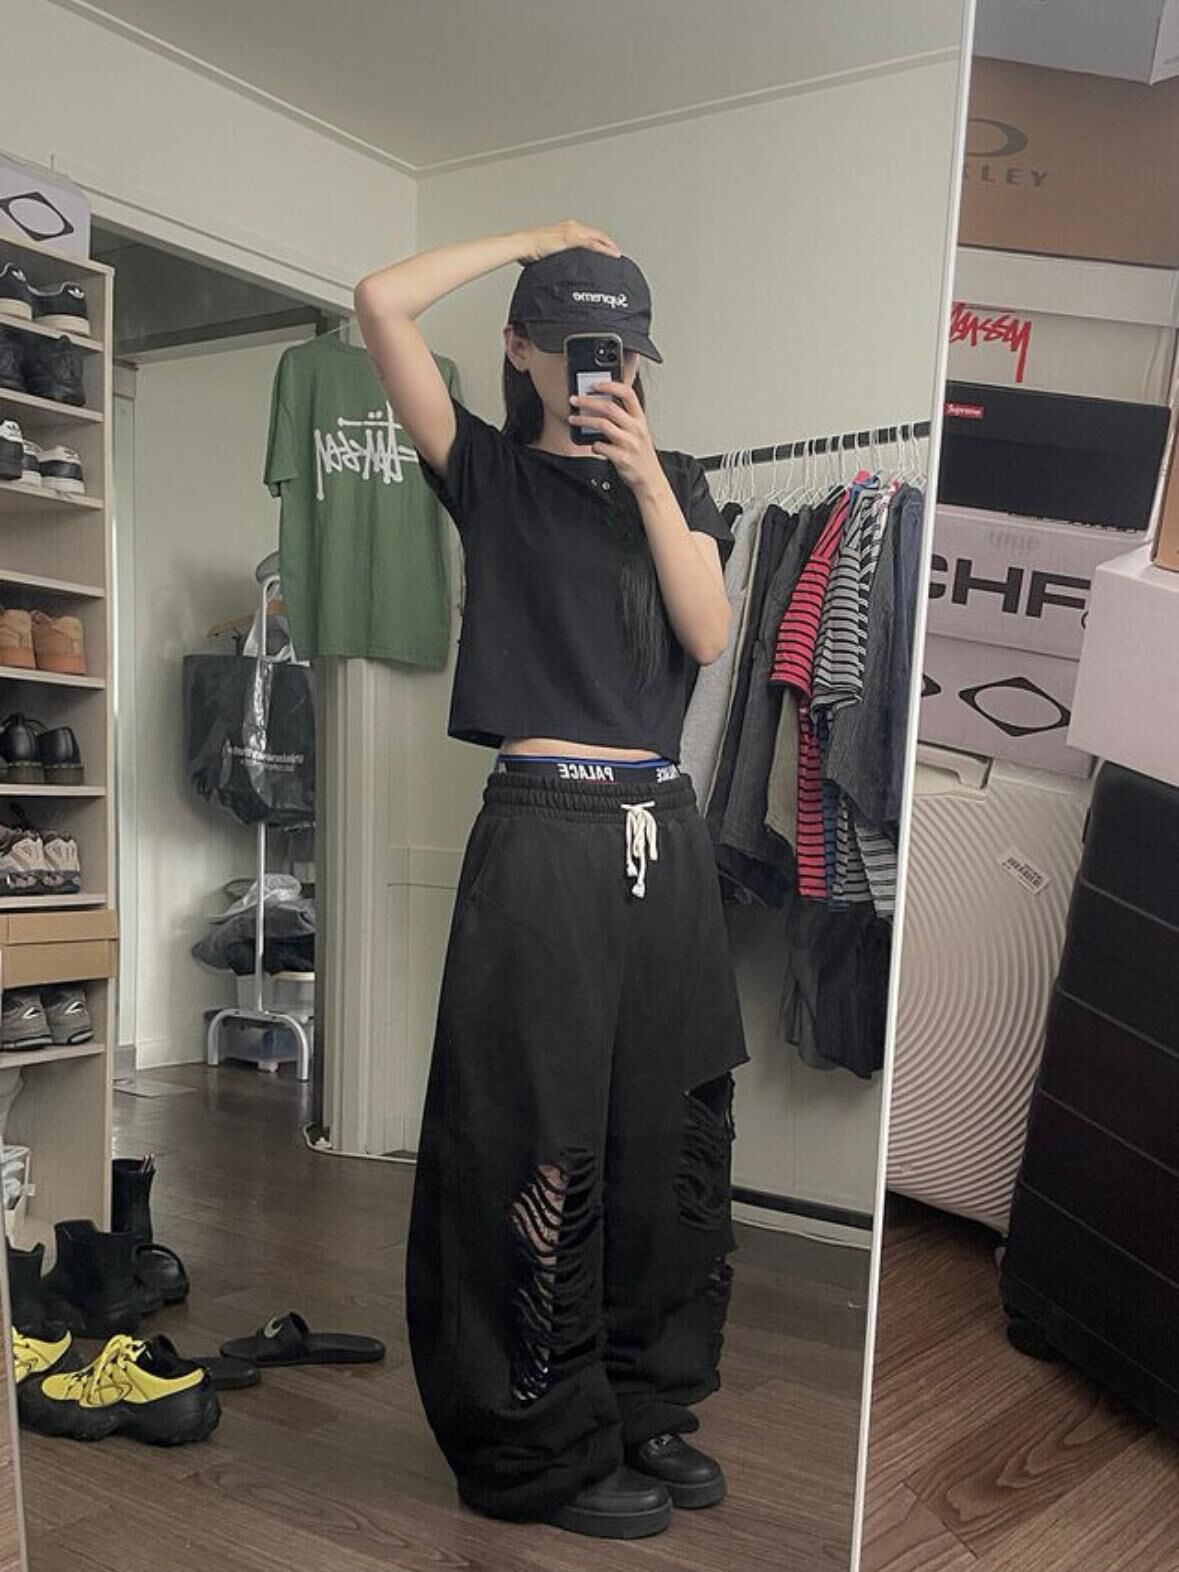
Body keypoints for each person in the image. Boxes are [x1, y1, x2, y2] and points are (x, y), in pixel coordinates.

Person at [355, 221, 748, 1541]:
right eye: (580, 345)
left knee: (667, 1132)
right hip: (542, 831)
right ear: (521, 350)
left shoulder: (678, 482)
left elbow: (707, 634)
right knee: (528, 1137)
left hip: (662, 831)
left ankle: (640, 1401)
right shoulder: (484, 471)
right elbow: (380, 302)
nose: (604, 369)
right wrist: (538, 236)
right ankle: (532, 1435)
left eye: (624, 350)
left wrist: (645, 479)